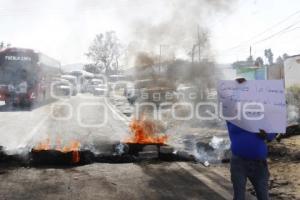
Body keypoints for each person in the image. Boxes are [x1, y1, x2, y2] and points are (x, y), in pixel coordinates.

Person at [227, 78, 280, 200]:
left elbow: (272, 131)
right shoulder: (231, 113)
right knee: (239, 197)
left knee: (263, 197)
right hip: (239, 162)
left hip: (259, 163)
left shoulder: (260, 112)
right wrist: (237, 85)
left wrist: (267, 134)